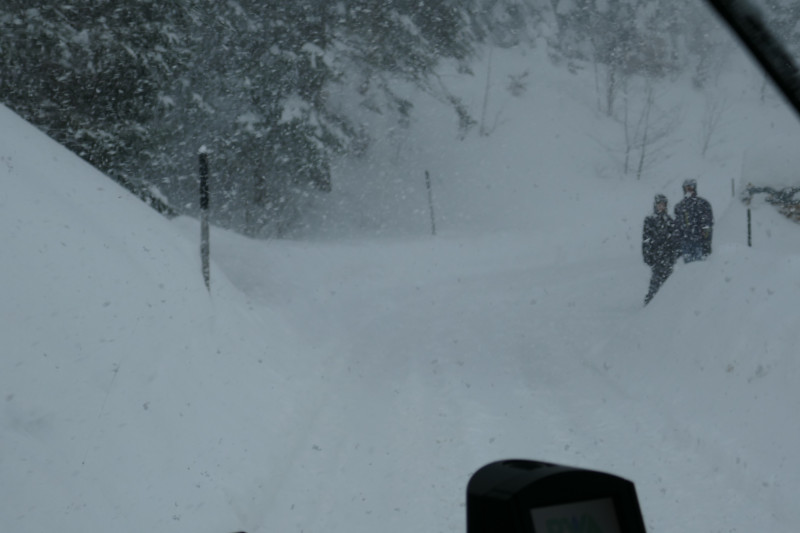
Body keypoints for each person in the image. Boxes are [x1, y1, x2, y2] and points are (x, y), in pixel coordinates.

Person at [642, 194, 679, 305]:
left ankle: (667, 302)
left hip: (668, 255)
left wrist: (674, 253)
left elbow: (674, 239)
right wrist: (647, 254)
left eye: (663, 205)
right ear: (655, 205)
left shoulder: (669, 220)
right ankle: (651, 301)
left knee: (668, 280)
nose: (661, 207)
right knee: (656, 279)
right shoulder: (650, 220)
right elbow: (646, 239)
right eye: (659, 204)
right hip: (656, 255)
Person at [673, 179, 713, 262]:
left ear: (694, 188)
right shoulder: (680, 206)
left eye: (691, 188)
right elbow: (678, 226)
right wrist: (677, 244)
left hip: (699, 242)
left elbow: (708, 224)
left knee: (701, 267)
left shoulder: (702, 204)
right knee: (688, 270)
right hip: (685, 243)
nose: (689, 190)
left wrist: (706, 242)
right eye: (687, 188)